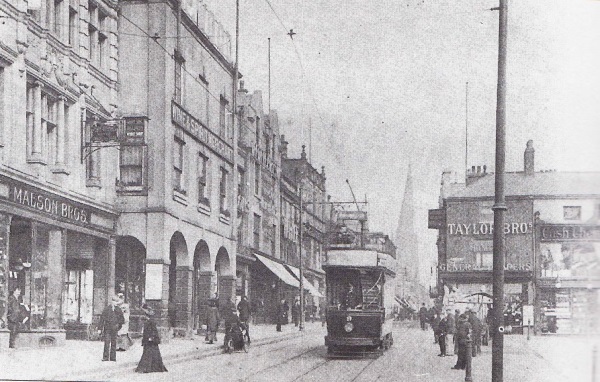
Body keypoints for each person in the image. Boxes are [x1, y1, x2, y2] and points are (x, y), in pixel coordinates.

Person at [135, 304, 167, 373]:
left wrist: (151, 337)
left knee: (149, 352)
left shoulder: (151, 320)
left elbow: (153, 330)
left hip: (150, 338)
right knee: (151, 352)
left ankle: (147, 368)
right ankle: (152, 367)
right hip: (148, 337)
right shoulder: (148, 319)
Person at [98, 295, 125, 361]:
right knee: (106, 342)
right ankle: (105, 357)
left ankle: (113, 357)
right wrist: (100, 329)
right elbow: (102, 319)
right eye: (114, 301)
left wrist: (119, 326)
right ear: (111, 301)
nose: (115, 303)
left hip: (115, 328)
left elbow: (122, 320)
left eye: (116, 302)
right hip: (107, 328)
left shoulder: (118, 310)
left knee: (114, 343)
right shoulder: (107, 309)